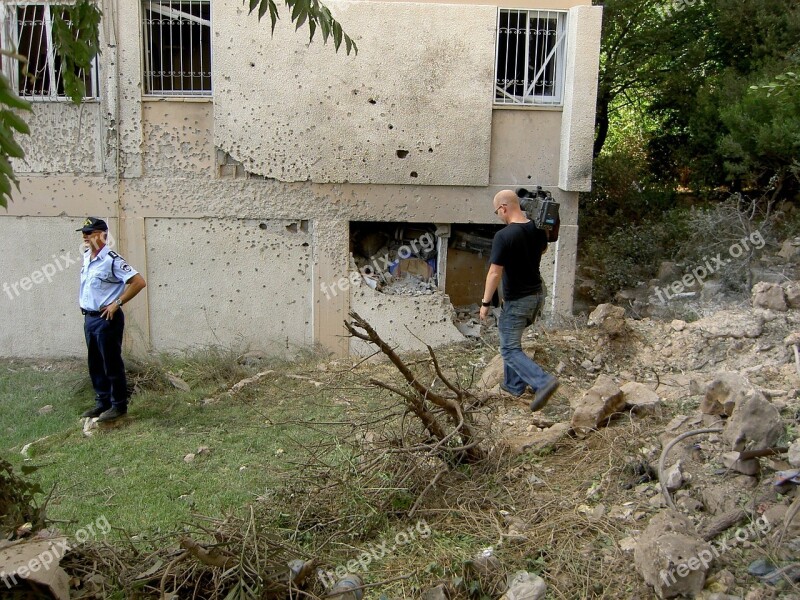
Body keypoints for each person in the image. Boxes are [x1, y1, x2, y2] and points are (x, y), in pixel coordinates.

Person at [479, 190, 559, 412]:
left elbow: (494, 273)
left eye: (498, 212)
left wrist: (485, 304)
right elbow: (541, 250)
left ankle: (543, 382)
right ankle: (514, 385)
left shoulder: (504, 236)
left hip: (518, 300)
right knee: (511, 341)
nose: (499, 216)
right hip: (536, 297)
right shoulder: (537, 229)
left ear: (503, 208)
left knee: (509, 349)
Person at [77, 217, 146, 422]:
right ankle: (103, 402)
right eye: (84, 233)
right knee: (95, 363)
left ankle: (118, 406)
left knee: (111, 363)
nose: (85, 236)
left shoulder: (112, 259)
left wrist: (118, 302)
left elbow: (138, 282)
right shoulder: (87, 257)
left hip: (107, 318)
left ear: (102, 234)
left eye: (89, 233)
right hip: (90, 318)